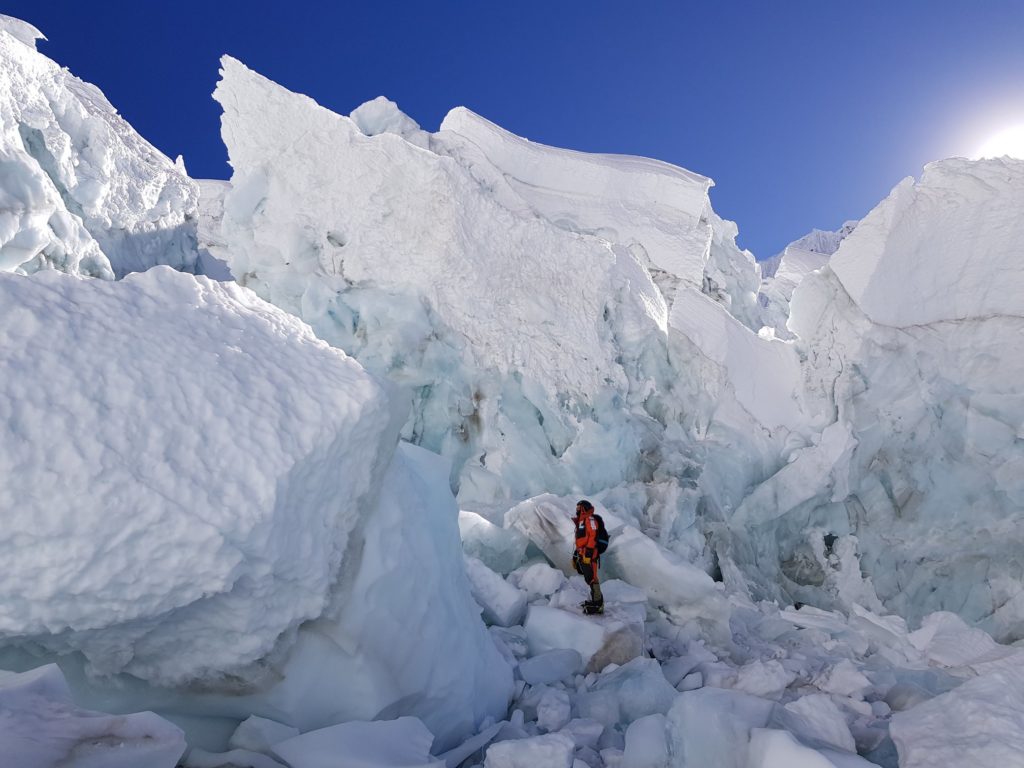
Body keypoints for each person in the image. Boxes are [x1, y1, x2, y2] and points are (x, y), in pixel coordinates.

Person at [572, 499, 604, 614]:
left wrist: (589, 552)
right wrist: (577, 553)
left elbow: (593, 536)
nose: (577, 510)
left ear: (584, 508)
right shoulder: (582, 520)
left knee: (592, 577)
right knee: (588, 577)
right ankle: (594, 600)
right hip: (583, 553)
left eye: (578, 508)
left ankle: (598, 604)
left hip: (590, 554)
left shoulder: (590, 519)